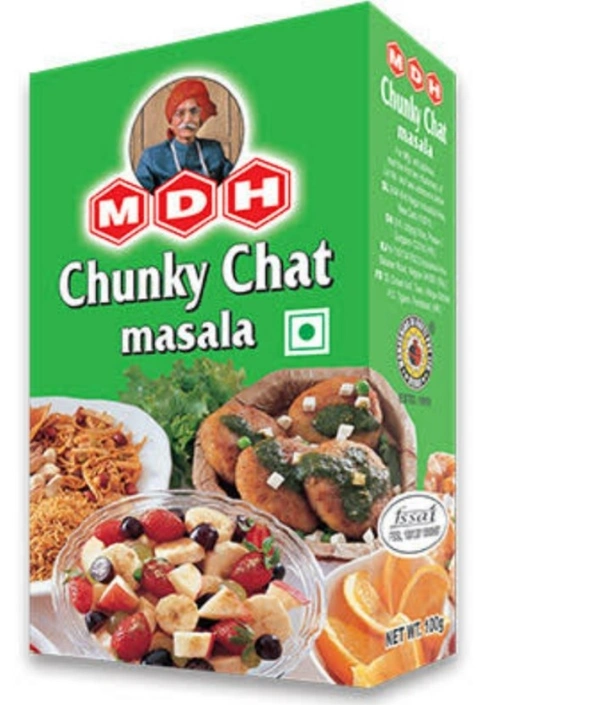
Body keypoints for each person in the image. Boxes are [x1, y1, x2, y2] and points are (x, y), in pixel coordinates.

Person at [135, 78, 234, 193]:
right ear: (171, 122)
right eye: (180, 113)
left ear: (200, 119)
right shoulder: (152, 157)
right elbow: (140, 196)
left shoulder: (214, 150)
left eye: (194, 112)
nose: (187, 120)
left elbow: (234, 184)